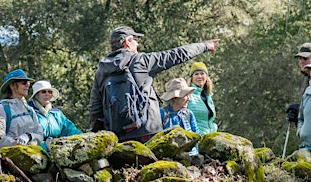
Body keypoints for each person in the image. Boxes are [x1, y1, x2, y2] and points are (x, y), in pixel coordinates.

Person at [88, 26, 219, 142]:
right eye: (135, 40)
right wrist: (205, 45)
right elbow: (177, 54)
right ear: (127, 42)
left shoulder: (102, 71)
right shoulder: (141, 61)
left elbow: (95, 108)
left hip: (118, 135)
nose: (137, 45)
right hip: (147, 131)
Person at [28, 80, 82, 151]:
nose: (47, 94)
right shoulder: (28, 112)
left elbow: (69, 129)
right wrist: (47, 147)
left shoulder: (56, 113)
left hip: (56, 149)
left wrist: (82, 137)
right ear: (36, 95)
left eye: (49, 92)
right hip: (36, 150)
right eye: (43, 92)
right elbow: (28, 136)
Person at [0, 69, 43, 148]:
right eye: (23, 82)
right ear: (12, 86)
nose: (27, 85)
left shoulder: (29, 110)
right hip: (9, 157)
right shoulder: (1, 109)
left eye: (28, 82)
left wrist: (29, 136)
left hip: (32, 156)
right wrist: (15, 142)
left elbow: (40, 135)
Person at [160, 78, 199, 155]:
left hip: (192, 158)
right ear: (174, 98)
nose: (189, 99)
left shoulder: (189, 114)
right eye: (186, 95)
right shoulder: (161, 114)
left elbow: (197, 138)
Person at [186, 62, 217, 135]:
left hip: (208, 138)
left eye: (202, 73)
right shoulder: (188, 95)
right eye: (196, 74)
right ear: (191, 78)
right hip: (195, 139)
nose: (199, 76)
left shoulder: (208, 96)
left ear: (206, 76)